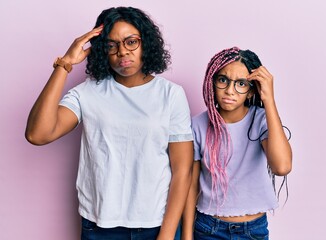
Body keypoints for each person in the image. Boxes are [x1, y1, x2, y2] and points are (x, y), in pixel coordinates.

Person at [25, 6, 194, 240]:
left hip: (156, 224)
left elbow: (182, 170)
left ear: (146, 43)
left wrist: (166, 235)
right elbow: (37, 134)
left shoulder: (171, 95)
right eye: (111, 45)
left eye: (131, 42)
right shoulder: (87, 93)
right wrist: (65, 64)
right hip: (99, 226)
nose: (122, 52)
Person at [181, 47, 292, 240]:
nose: (230, 91)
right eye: (223, 80)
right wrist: (187, 235)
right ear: (211, 82)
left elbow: (282, 167)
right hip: (208, 228)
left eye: (241, 84)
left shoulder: (261, 121)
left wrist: (269, 100)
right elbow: (191, 185)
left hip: (253, 230)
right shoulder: (198, 125)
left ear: (251, 91)